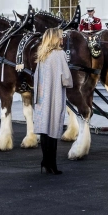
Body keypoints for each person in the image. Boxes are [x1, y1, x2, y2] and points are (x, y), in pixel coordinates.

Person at [32, 28, 73, 175]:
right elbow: (66, 78)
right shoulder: (59, 54)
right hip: (54, 96)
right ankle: (52, 164)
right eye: (60, 37)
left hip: (42, 97)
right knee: (53, 128)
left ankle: (45, 162)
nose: (62, 39)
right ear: (55, 39)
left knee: (45, 129)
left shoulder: (42, 54)